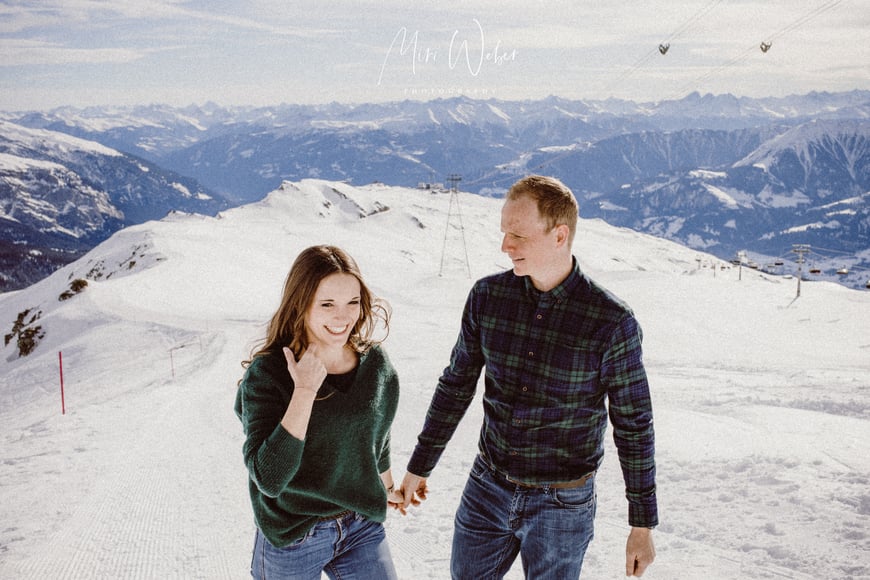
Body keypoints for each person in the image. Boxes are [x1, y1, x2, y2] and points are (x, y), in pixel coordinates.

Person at [400, 175, 658, 578]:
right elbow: (456, 385)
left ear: (559, 235)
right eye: (504, 233)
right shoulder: (487, 297)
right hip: (487, 488)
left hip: (562, 505)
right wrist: (421, 465)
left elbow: (634, 425)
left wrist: (641, 525)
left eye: (517, 235)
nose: (506, 246)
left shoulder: (611, 322)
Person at [235, 245, 403, 579]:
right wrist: (305, 390)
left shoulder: (375, 365)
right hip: (294, 534)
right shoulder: (268, 375)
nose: (343, 317)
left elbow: (377, 439)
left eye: (352, 302)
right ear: (302, 304)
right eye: (327, 304)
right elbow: (269, 478)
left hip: (360, 525)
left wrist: (387, 487)